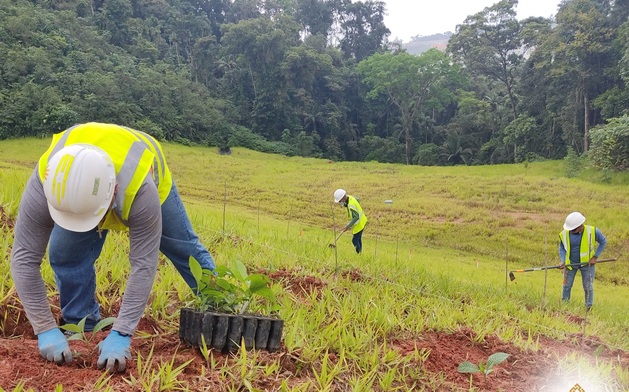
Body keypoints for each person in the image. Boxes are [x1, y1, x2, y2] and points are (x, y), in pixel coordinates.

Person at [10, 122, 216, 372]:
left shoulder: (139, 188)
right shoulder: (48, 179)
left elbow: (143, 263)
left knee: (183, 249)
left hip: (146, 178)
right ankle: (83, 325)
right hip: (79, 185)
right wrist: (44, 328)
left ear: (113, 191)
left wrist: (123, 332)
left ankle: (222, 305)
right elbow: (23, 258)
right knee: (66, 252)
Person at [558, 211, 607, 310]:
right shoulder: (565, 233)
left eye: (573, 229)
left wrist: (595, 257)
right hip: (570, 264)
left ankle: (588, 307)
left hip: (587, 264)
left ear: (580, 226)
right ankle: (565, 305)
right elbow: (562, 247)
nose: (571, 231)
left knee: (587, 286)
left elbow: (603, 241)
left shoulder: (593, 231)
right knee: (566, 285)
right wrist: (563, 261)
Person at [333, 188, 368, 254]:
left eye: (340, 201)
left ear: (343, 198)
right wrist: (346, 204)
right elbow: (357, 199)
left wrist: (347, 226)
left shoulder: (351, 205)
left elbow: (356, 217)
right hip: (362, 220)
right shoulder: (350, 197)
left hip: (359, 223)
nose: (340, 203)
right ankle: (360, 253)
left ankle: (358, 253)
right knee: (358, 239)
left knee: (354, 240)